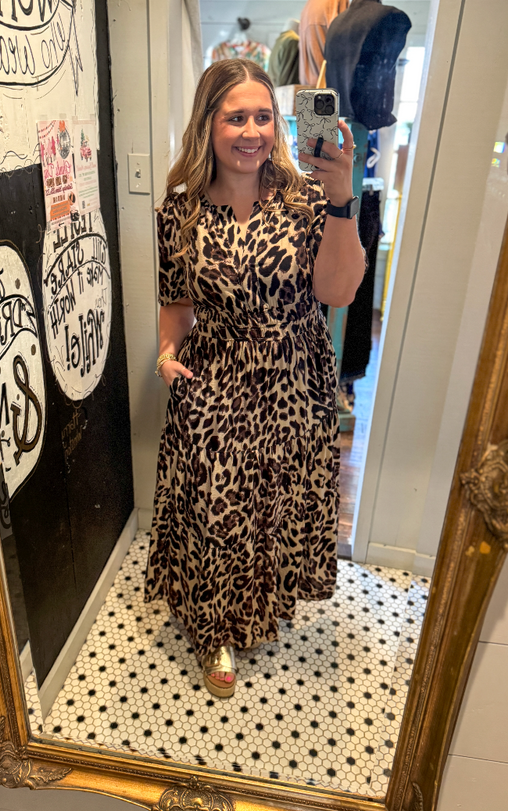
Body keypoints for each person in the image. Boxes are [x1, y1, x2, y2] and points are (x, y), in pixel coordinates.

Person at [144, 59, 365, 698]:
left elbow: (337, 290)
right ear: (208, 125)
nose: (251, 131)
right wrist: (165, 354)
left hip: (293, 380)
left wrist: (344, 199)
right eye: (235, 117)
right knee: (217, 509)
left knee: (270, 508)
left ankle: (256, 610)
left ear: (280, 123)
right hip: (212, 377)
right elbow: (177, 303)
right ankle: (215, 628)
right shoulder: (178, 213)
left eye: (263, 116)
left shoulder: (307, 201)